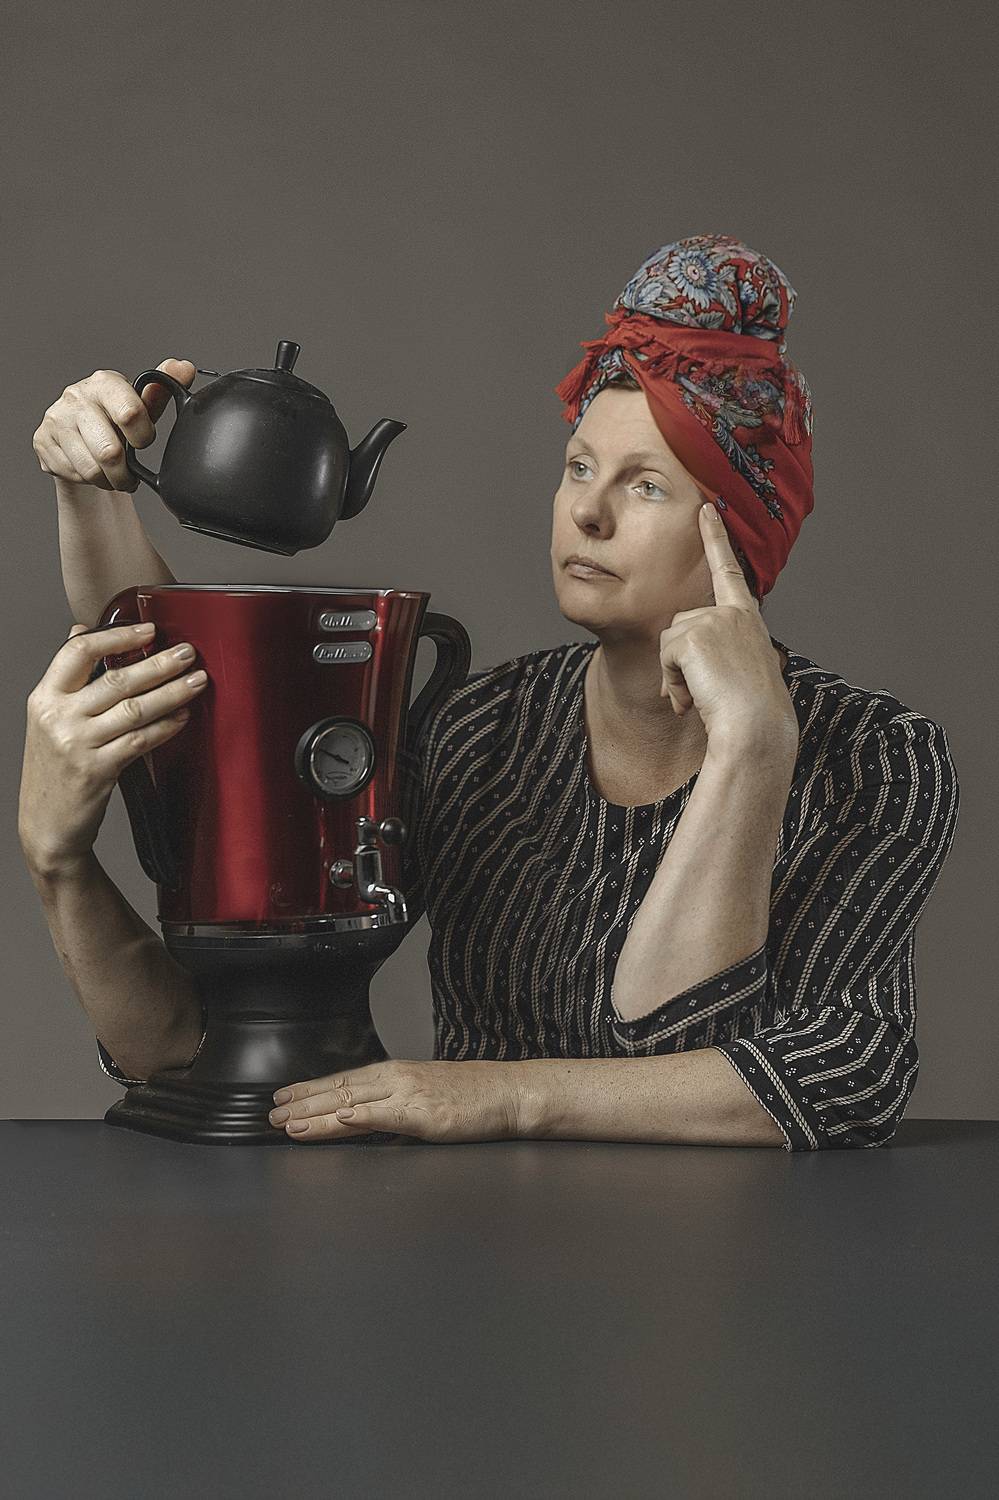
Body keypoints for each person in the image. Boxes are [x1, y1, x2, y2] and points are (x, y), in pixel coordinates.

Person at [19, 234, 960, 1150]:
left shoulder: (873, 754)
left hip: (760, 1245)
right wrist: (91, 491)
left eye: (646, 487)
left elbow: (837, 1074)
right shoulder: (484, 732)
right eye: (579, 467)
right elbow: (197, 1037)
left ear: (741, 532)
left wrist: (752, 745)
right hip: (483, 1233)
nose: (586, 511)